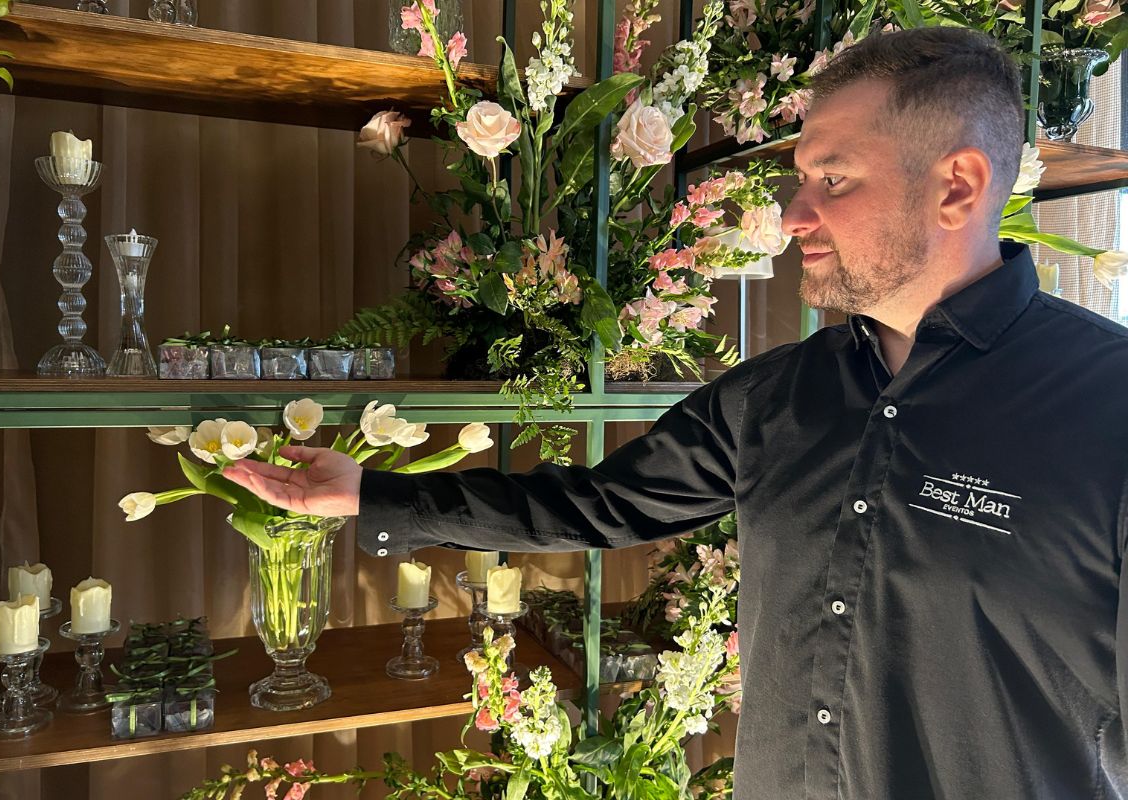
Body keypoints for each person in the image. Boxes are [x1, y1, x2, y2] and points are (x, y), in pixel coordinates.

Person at [224, 26, 1128, 800]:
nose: (793, 215)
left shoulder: (1107, 406)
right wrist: (368, 495)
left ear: (959, 186)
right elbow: (593, 506)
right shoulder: (775, 397)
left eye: (834, 179)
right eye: (799, 177)